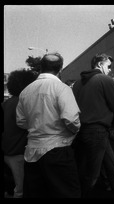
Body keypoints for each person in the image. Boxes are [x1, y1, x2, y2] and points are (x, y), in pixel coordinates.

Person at [16, 53, 81, 198]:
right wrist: (74, 132)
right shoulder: (62, 88)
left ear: (41, 67)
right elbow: (71, 119)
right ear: (60, 69)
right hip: (58, 149)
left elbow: (20, 121)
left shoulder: (26, 92)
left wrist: (37, 126)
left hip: (32, 152)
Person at [72, 53, 114, 198]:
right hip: (98, 131)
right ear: (99, 65)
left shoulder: (77, 84)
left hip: (81, 131)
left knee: (111, 167)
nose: (110, 70)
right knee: (92, 175)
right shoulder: (105, 80)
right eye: (108, 66)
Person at [2, 68, 38, 198]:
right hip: (18, 152)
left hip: (6, 150)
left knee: (11, 187)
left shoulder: (6, 103)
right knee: (21, 189)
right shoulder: (23, 102)